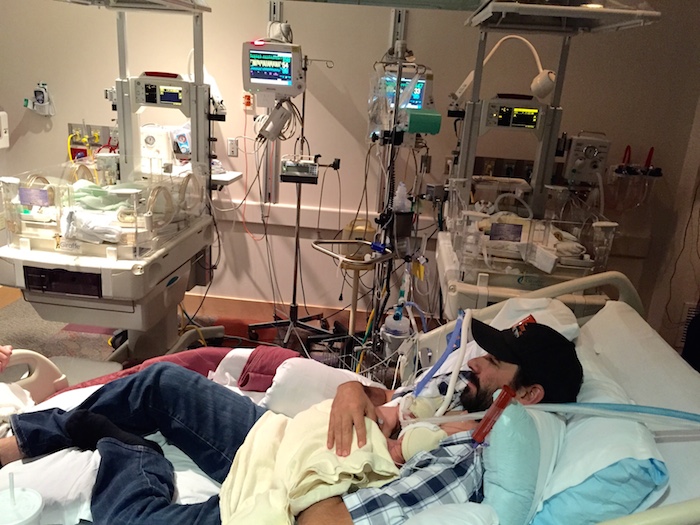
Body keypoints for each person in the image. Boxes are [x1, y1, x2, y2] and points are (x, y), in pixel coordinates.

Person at [0, 318, 583, 525]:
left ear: (529, 394)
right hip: (283, 440)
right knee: (163, 383)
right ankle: (16, 440)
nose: (474, 362)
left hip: (289, 491)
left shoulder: (471, 452)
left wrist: (308, 464)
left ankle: (130, 455)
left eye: (494, 361)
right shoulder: (460, 401)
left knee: (128, 516)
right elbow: (388, 400)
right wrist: (353, 390)